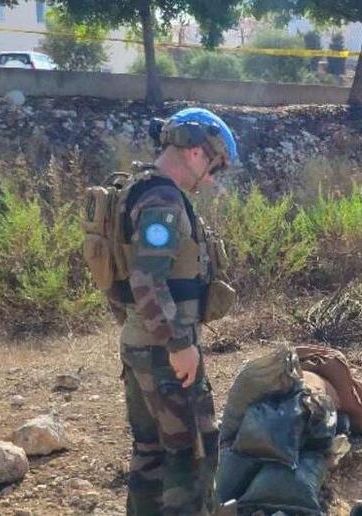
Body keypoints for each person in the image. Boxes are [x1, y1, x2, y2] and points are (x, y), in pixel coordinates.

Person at [83, 108, 239, 515]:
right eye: (214, 168)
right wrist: (179, 344)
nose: (212, 180)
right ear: (196, 153)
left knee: (149, 453)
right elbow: (147, 279)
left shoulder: (137, 190)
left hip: (141, 344)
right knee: (191, 455)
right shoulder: (163, 201)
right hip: (164, 352)